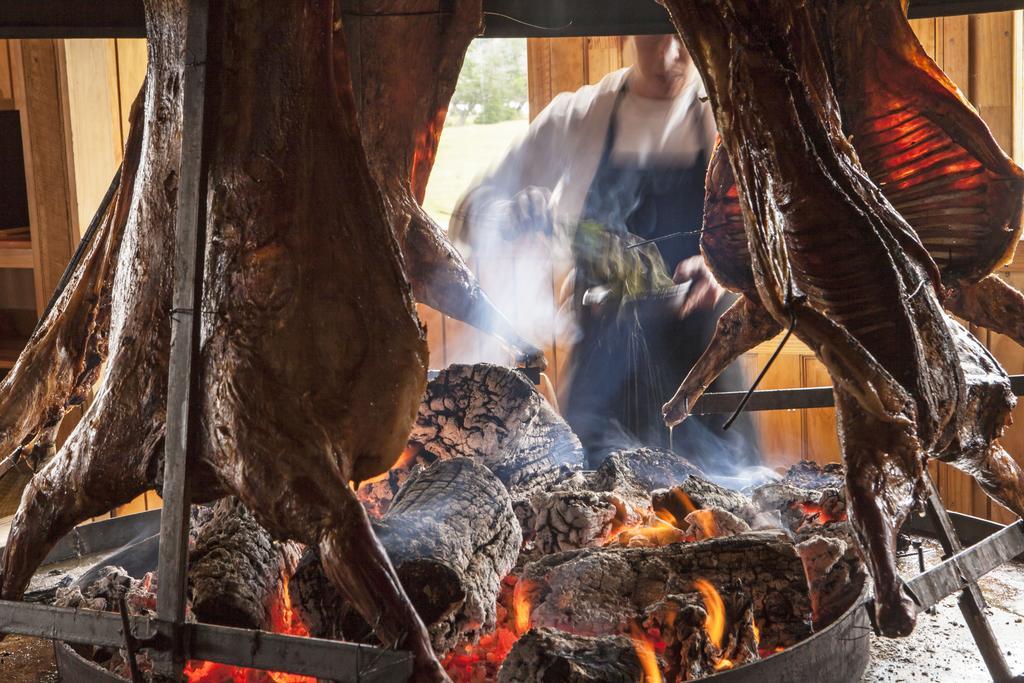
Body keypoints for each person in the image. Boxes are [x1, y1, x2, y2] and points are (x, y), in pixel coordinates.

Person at [450, 35, 758, 472]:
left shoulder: (728, 122)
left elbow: (780, 233)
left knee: (728, 514)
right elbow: (467, 213)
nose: (670, 56)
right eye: (655, 35)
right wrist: (508, 213)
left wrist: (730, 266)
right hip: (603, 384)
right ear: (628, 31)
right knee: (599, 518)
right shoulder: (579, 117)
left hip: (705, 379)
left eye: (684, 38)